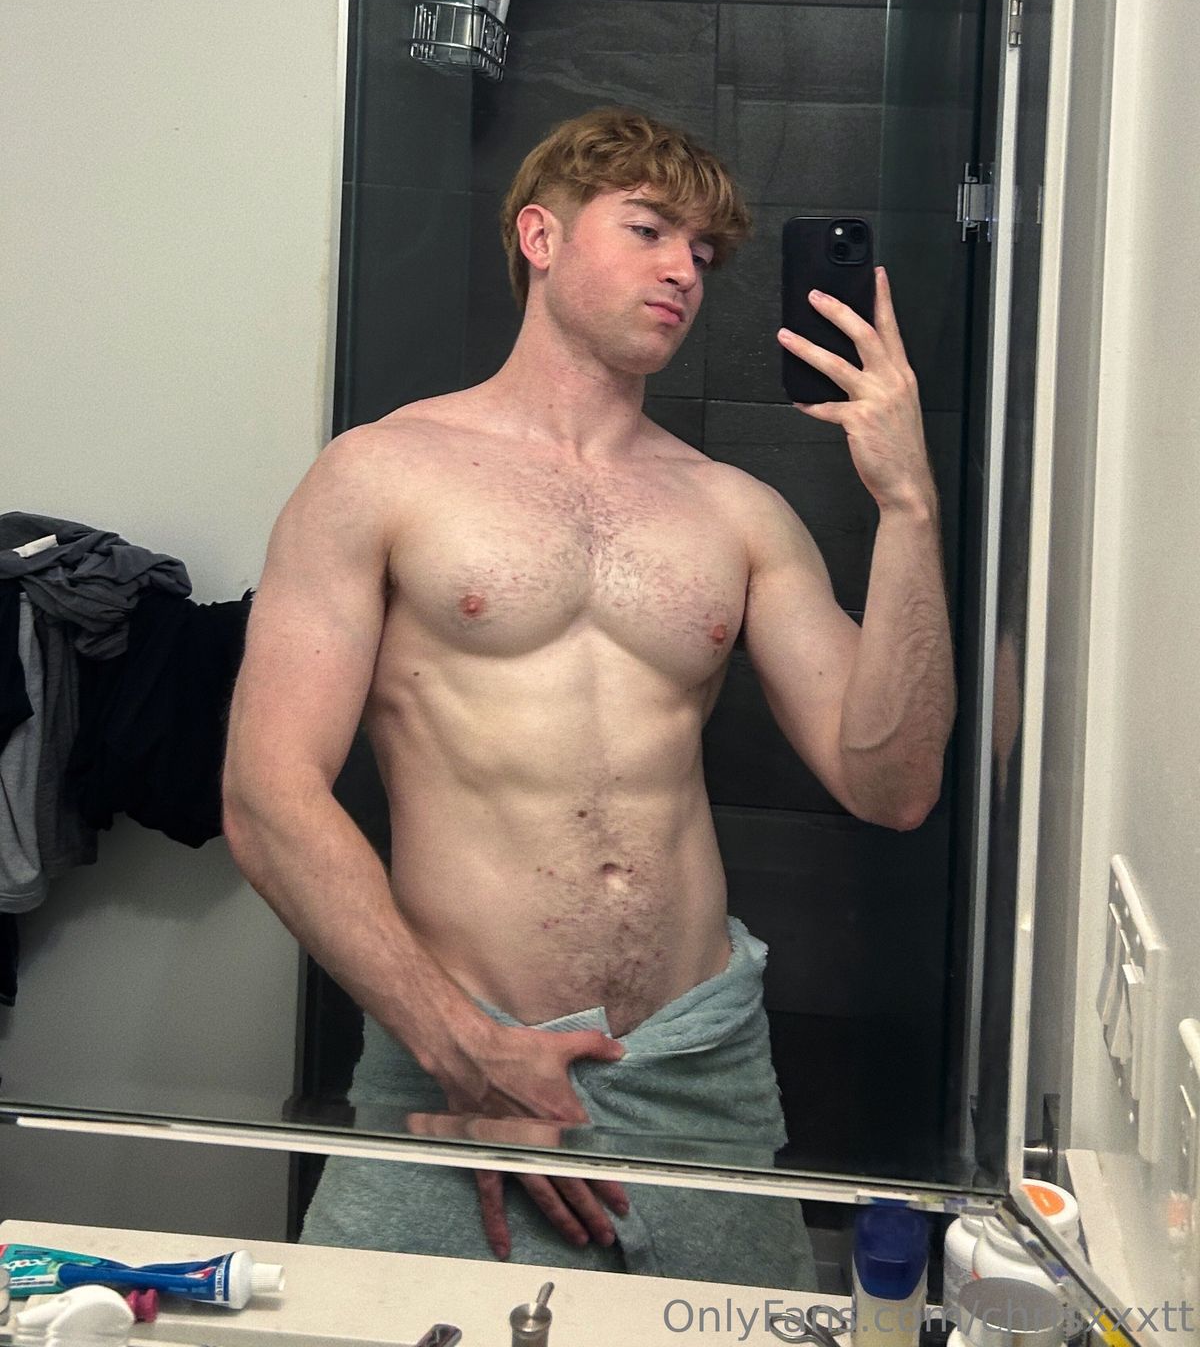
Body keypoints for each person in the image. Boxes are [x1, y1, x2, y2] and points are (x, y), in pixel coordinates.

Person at [222, 107, 956, 1284]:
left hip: (697, 1066)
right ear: (541, 237)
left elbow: (893, 782)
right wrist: (463, 1047)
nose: (684, 271)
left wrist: (908, 503)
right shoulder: (380, 473)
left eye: (702, 253)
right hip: (454, 1058)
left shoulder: (736, 511)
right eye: (649, 229)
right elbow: (268, 794)